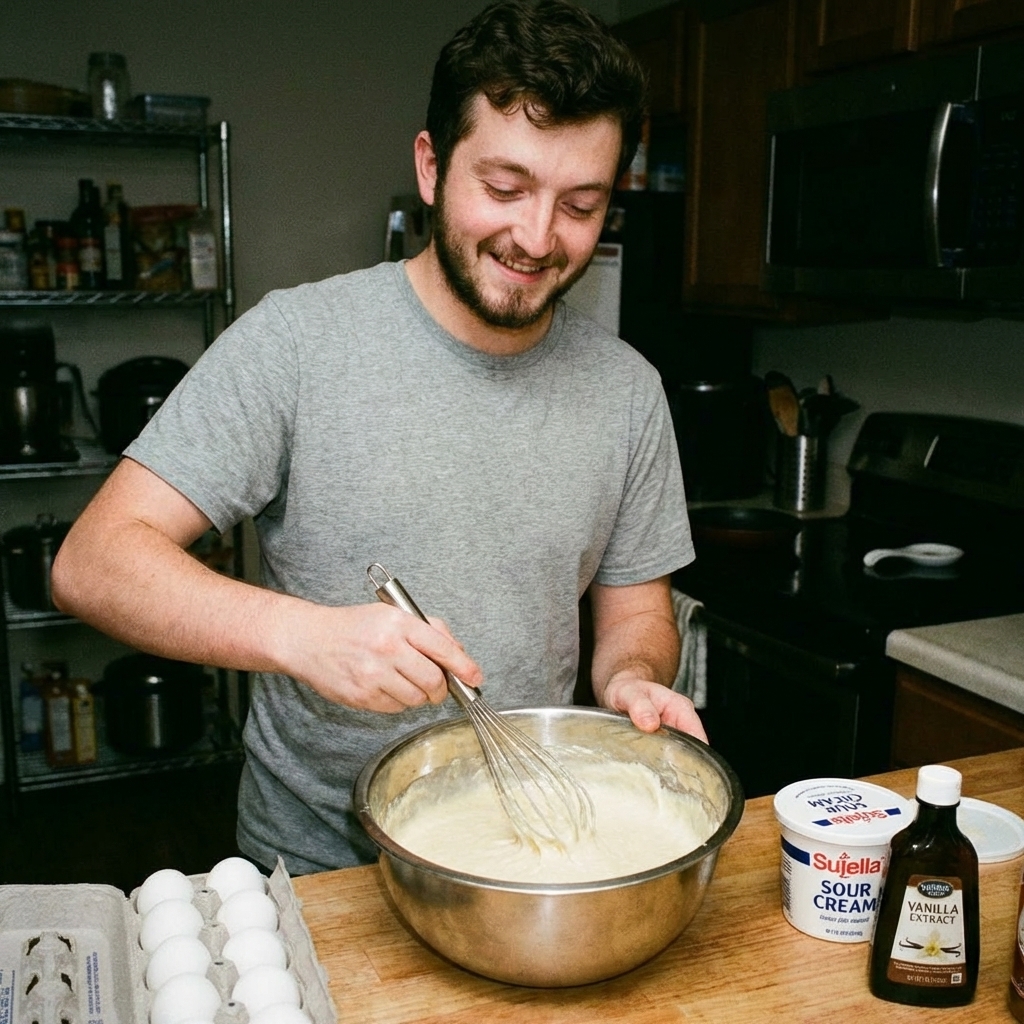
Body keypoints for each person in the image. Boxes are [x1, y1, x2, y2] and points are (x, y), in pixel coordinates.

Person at [51, 0, 704, 875]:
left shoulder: (628, 393)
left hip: (532, 854)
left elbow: (635, 613)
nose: (538, 238)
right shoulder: (295, 344)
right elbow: (92, 564)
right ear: (431, 168)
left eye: (580, 204)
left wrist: (630, 677)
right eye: (504, 189)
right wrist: (304, 638)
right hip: (323, 866)